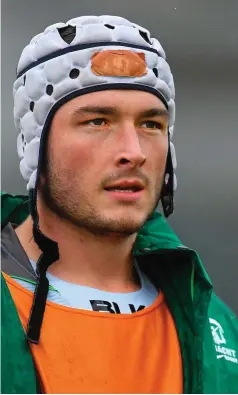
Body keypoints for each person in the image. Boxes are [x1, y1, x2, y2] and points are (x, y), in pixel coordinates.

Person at [1, 15, 238, 394]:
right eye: (97, 121)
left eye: (151, 125)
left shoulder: (213, 328)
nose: (134, 152)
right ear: (36, 147)